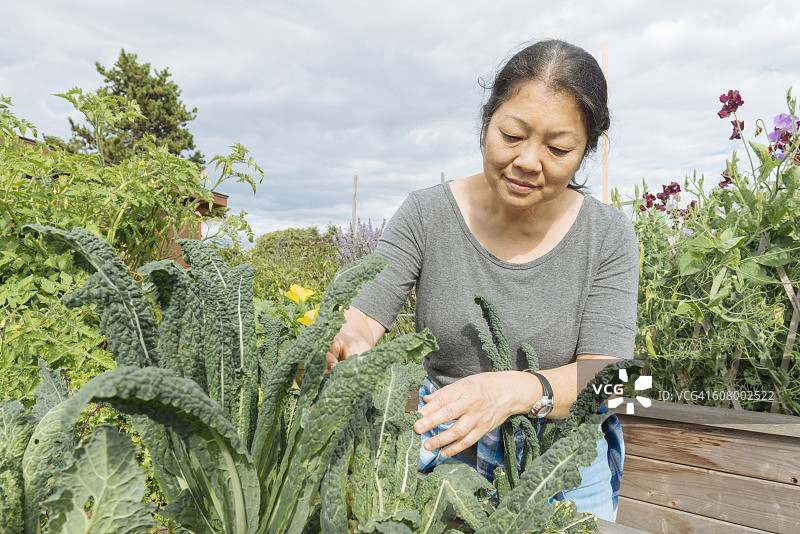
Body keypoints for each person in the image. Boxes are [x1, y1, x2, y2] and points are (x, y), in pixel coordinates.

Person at [325, 39, 638, 522]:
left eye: (557, 148)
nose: (529, 161)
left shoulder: (609, 235)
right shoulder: (426, 215)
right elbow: (363, 317)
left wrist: (515, 391)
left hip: (565, 470)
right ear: (487, 121)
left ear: (585, 153)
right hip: (446, 459)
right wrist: (346, 342)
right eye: (511, 136)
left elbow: (619, 383)